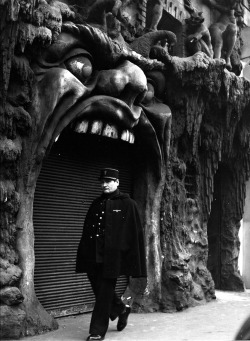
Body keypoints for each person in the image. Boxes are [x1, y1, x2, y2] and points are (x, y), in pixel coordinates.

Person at [76, 168, 147, 341]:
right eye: (102, 181)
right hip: (94, 255)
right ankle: (121, 310)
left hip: (113, 257)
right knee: (98, 287)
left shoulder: (128, 203)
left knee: (104, 292)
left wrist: (126, 255)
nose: (104, 184)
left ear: (117, 182)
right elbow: (88, 231)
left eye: (108, 181)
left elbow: (134, 232)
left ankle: (97, 331)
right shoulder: (96, 203)